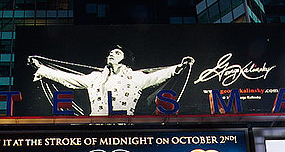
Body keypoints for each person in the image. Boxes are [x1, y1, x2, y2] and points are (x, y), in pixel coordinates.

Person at [29, 47, 192, 115]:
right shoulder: (95, 78)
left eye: (117, 53)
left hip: (126, 127)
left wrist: (179, 67)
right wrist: (42, 69)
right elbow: (69, 79)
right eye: (110, 53)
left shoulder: (135, 78)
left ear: (125, 59)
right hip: (96, 127)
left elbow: (158, 76)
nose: (111, 55)